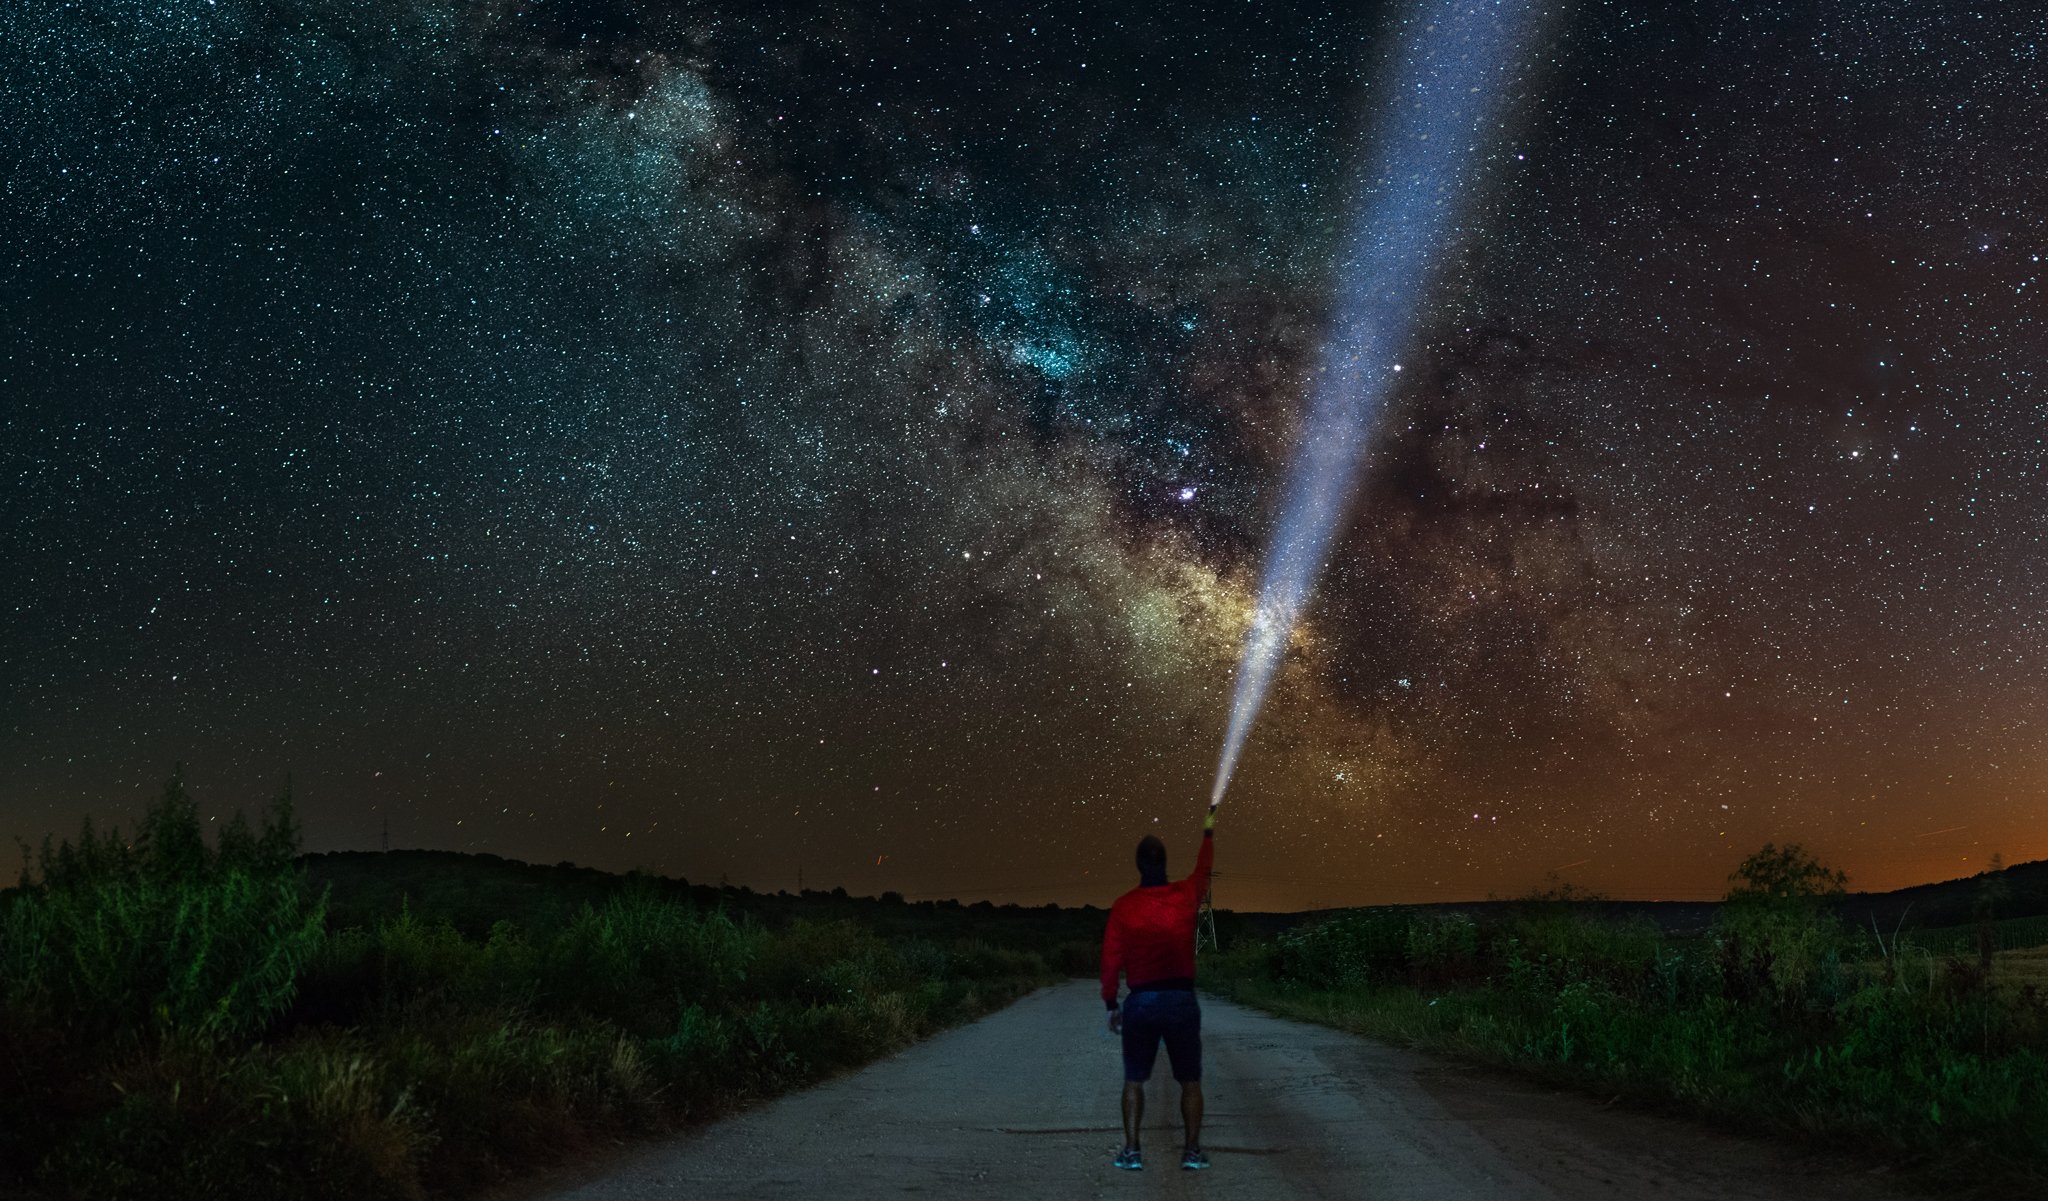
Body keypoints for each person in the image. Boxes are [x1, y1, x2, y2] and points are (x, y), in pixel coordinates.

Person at [1099, 803, 1216, 1171]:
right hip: (1181, 999)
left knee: (1134, 1080)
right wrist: (1208, 832)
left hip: (1141, 1002)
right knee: (1190, 1080)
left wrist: (1110, 1004)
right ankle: (1192, 1152)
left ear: (1138, 865)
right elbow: (1204, 869)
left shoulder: (1124, 906)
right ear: (1164, 863)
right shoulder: (1185, 895)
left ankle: (1132, 1151)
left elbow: (1110, 960)